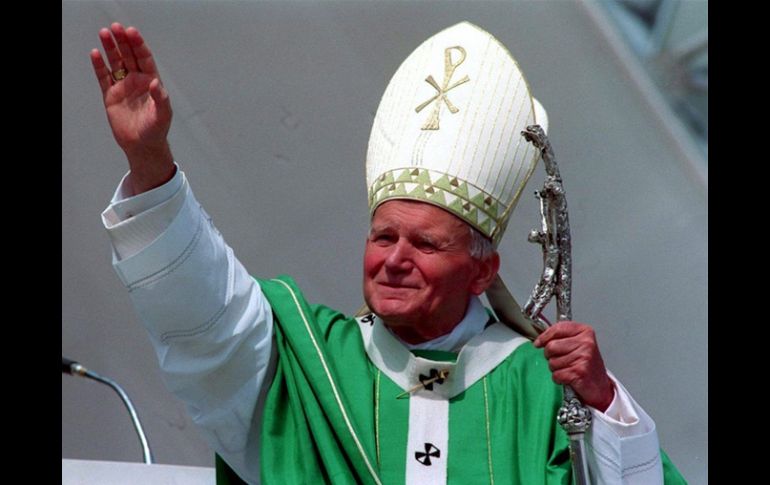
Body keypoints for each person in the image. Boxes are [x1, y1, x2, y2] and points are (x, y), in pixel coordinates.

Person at [92, 20, 686, 484]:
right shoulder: (312, 365)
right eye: (383, 237)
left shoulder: (540, 386)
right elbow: (203, 315)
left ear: (481, 271)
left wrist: (605, 401)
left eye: (425, 243)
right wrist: (150, 161)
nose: (395, 259)